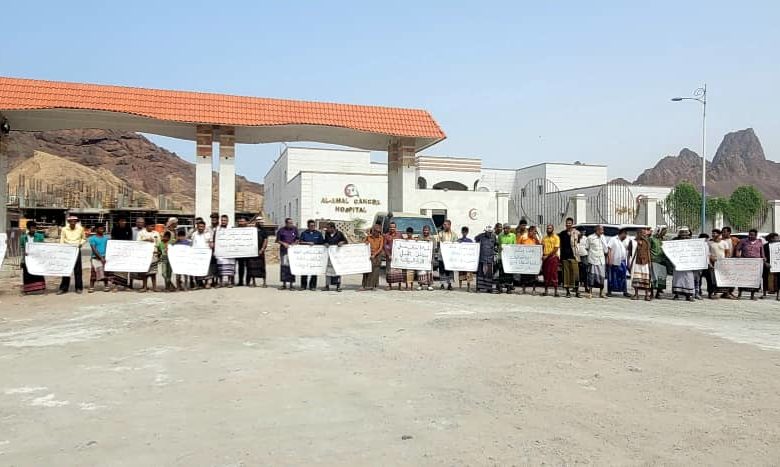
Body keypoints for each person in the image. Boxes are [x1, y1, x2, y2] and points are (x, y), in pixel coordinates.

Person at [57, 215, 86, 295]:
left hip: (76, 249)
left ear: (76, 222)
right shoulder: (64, 229)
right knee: (66, 269)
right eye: (71, 221)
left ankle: (78, 288)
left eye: (74, 221)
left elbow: (84, 238)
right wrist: (62, 249)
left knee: (78, 269)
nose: (73, 222)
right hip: (67, 250)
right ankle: (64, 288)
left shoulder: (80, 229)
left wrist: (80, 244)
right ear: (68, 222)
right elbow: (62, 239)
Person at [735, 229, 764, 300]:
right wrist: (738, 254)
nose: (750, 236)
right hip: (745, 262)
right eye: (749, 234)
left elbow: (762, 252)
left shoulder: (759, 242)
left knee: (754, 279)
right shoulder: (743, 241)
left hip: (756, 263)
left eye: (752, 235)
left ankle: (752, 295)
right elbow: (737, 249)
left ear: (756, 235)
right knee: (743, 278)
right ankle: (739, 294)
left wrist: (763, 258)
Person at [20, 221, 46, 295]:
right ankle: (27, 290)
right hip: (27, 258)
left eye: (34, 228)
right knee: (27, 274)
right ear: (28, 228)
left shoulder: (40, 236)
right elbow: (22, 248)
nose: (33, 229)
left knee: (38, 272)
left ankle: (40, 289)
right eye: (31, 228)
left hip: (37, 258)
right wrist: (22, 259)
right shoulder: (23, 237)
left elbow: (43, 246)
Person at [298, 219, 325, 291]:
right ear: (308, 226)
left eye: (314, 225)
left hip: (315, 256)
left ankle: (312, 286)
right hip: (305, 255)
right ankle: (303, 286)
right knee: (304, 270)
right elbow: (300, 242)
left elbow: (322, 243)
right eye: (311, 225)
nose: (312, 227)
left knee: (314, 270)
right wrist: (307, 243)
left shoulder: (318, 233)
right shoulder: (304, 233)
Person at [558, 217, 581, 298]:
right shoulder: (562, 234)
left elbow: (578, 243)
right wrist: (560, 257)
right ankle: (568, 292)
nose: (568, 225)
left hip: (574, 256)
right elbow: (560, 245)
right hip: (565, 256)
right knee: (566, 275)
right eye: (567, 223)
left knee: (576, 274)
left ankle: (577, 291)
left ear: (572, 224)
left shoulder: (576, 233)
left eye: (570, 223)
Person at [671, 227, 695, 302]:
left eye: (685, 232)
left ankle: (689, 295)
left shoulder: (692, 241)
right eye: (682, 232)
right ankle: (677, 294)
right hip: (678, 262)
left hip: (688, 263)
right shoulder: (675, 240)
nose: (684, 234)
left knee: (688, 278)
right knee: (677, 279)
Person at [109, 216, 133, 290]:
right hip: (117, 251)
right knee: (116, 269)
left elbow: (130, 238)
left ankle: (125, 285)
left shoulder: (128, 228)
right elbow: (113, 238)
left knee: (125, 269)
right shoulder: (115, 228)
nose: (123, 222)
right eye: (121, 221)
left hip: (126, 251)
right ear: (118, 222)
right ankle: (115, 285)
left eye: (124, 221)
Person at [706, 229, 730, 299]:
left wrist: (725, 261)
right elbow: (707, 254)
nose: (713, 235)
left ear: (719, 234)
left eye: (715, 233)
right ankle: (711, 293)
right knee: (711, 279)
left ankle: (724, 293)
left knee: (722, 278)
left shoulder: (724, 243)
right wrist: (710, 261)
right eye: (712, 233)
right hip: (712, 264)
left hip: (722, 264)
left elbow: (727, 253)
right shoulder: (709, 243)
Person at [323, 222, 348, 292]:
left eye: (328, 228)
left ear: (332, 228)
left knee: (337, 270)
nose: (327, 229)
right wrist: (325, 243)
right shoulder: (327, 234)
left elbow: (346, 241)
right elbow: (325, 241)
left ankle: (338, 286)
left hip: (337, 256)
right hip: (329, 255)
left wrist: (342, 242)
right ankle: (327, 286)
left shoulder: (339, 234)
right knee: (328, 271)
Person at [137, 221, 161, 292]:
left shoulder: (156, 233)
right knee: (145, 272)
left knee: (153, 272)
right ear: (146, 226)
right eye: (151, 226)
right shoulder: (141, 233)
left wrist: (159, 252)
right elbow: (137, 242)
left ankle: (154, 287)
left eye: (153, 226)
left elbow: (159, 243)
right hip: (144, 255)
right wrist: (146, 240)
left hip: (154, 254)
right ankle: (145, 287)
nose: (152, 228)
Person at [276, 218, 299, 290]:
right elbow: (277, 240)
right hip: (284, 251)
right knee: (284, 267)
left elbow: (297, 239)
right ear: (286, 223)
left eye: (292, 223)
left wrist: (295, 243)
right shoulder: (281, 230)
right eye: (290, 223)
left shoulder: (295, 229)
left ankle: (291, 285)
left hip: (292, 251)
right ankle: (284, 284)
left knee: (292, 267)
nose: (291, 224)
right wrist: (283, 243)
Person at [630, 227, 653, 301]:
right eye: (642, 233)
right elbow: (630, 253)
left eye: (644, 233)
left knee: (646, 279)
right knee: (636, 279)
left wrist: (649, 262)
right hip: (636, 262)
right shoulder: (633, 242)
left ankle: (647, 295)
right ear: (638, 233)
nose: (644, 235)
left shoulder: (647, 242)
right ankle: (636, 294)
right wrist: (629, 263)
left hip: (645, 263)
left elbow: (648, 252)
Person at [585, 225, 608, 299]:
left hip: (601, 260)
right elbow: (587, 248)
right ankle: (590, 293)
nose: (602, 231)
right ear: (597, 230)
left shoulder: (603, 237)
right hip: (593, 260)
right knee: (591, 277)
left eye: (603, 230)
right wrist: (591, 255)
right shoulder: (590, 237)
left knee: (601, 277)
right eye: (601, 229)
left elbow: (606, 250)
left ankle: (601, 293)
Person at [607, 228, 630, 298]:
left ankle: (624, 291)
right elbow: (609, 249)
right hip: (614, 261)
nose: (626, 236)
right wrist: (609, 259)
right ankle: (609, 291)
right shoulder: (613, 239)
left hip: (622, 261)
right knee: (612, 276)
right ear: (622, 233)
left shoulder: (625, 241)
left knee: (623, 277)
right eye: (625, 234)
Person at [215, 214, 237, 288]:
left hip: (229, 251)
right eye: (222, 220)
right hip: (220, 251)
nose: (223, 222)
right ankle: (220, 282)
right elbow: (215, 238)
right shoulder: (217, 229)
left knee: (230, 267)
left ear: (227, 221)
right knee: (220, 267)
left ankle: (229, 282)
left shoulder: (231, 228)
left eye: (225, 220)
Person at [519, 225, 541, 295]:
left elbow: (540, 246)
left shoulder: (536, 238)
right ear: (529, 231)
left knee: (533, 275)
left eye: (535, 232)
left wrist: (536, 239)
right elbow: (517, 246)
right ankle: (523, 289)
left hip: (533, 260)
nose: (534, 233)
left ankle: (533, 290)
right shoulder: (523, 237)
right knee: (523, 275)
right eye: (533, 231)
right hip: (524, 259)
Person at [246, 219, 268, 288]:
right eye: (259, 222)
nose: (261, 224)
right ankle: (254, 282)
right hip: (252, 252)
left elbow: (265, 240)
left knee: (262, 267)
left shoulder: (264, 231)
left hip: (260, 252)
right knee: (252, 267)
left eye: (261, 222)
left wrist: (262, 249)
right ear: (256, 223)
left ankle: (264, 282)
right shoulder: (252, 231)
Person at [190, 219, 212, 289]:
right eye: (199, 226)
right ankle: (198, 284)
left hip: (205, 255)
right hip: (196, 254)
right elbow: (192, 244)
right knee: (197, 269)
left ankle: (207, 283)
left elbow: (211, 243)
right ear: (197, 226)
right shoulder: (194, 234)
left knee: (206, 269)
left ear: (204, 227)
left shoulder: (208, 234)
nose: (201, 228)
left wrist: (211, 245)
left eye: (202, 227)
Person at [362, 223, 384, 291]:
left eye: (379, 232)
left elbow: (380, 248)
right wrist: (365, 242)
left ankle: (374, 286)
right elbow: (363, 245)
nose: (378, 233)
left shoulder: (381, 238)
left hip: (377, 256)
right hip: (369, 256)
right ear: (373, 231)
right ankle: (365, 285)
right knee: (367, 270)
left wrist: (374, 254)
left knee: (375, 271)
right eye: (376, 231)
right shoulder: (368, 237)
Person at [87, 224, 110, 293]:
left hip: (105, 257)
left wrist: (105, 257)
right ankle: (91, 286)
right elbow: (94, 249)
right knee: (94, 273)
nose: (102, 230)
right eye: (100, 229)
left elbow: (108, 247)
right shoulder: (92, 238)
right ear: (96, 229)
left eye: (103, 228)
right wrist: (100, 257)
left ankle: (106, 285)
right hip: (95, 258)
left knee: (105, 272)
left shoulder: (106, 238)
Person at [475, 226, 497, 293]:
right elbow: (475, 239)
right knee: (480, 273)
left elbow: (495, 245)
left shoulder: (494, 237)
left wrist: (495, 253)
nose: (489, 233)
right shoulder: (481, 236)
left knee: (489, 274)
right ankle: (479, 287)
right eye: (488, 232)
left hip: (490, 258)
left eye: (490, 232)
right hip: (481, 257)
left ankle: (488, 288)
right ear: (485, 232)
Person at [437, 219, 458, 290]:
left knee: (449, 270)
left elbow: (456, 244)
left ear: (449, 225)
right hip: (442, 255)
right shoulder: (441, 233)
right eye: (444, 225)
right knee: (441, 270)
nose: (444, 226)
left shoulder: (454, 234)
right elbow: (438, 242)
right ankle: (442, 284)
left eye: (445, 225)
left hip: (450, 256)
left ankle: (449, 284)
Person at [383, 222, 404, 290]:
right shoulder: (386, 236)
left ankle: (400, 286)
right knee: (389, 271)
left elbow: (403, 244)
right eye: (391, 227)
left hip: (398, 256)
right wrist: (388, 254)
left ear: (395, 228)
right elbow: (385, 246)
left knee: (399, 271)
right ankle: (390, 285)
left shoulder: (399, 235)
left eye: (393, 227)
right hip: (389, 256)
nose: (392, 228)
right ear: (389, 228)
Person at [649, 227, 668, 299]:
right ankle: (651, 293)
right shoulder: (651, 239)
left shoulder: (664, 240)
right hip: (654, 260)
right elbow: (649, 249)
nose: (664, 234)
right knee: (653, 277)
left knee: (661, 278)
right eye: (663, 232)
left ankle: (658, 293)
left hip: (662, 261)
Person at [541, 224, 560, 297]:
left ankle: (556, 292)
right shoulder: (544, 238)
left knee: (554, 274)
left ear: (553, 229)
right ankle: (546, 291)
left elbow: (556, 249)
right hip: (545, 258)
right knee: (546, 274)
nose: (548, 229)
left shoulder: (556, 237)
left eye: (550, 228)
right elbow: (542, 247)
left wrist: (547, 256)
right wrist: (543, 256)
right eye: (547, 228)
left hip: (553, 257)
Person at [496, 223, 516, 294]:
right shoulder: (500, 235)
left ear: (509, 229)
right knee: (501, 273)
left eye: (507, 228)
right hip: (501, 257)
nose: (505, 229)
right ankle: (500, 288)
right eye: (504, 228)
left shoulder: (513, 236)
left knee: (509, 273)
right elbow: (498, 245)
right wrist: (500, 248)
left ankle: (508, 288)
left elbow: (514, 246)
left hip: (509, 258)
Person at [415, 225, 436, 291]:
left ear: (429, 231)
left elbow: (434, 249)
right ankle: (420, 285)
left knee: (429, 271)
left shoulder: (432, 238)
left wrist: (433, 258)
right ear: (422, 230)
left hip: (429, 258)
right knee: (421, 271)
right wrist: (416, 241)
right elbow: (416, 246)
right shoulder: (419, 237)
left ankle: (429, 285)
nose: (425, 231)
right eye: (424, 230)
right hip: (421, 257)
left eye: (427, 230)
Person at [763, 233, 780, 300]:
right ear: (771, 238)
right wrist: (765, 263)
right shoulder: (765, 246)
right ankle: (764, 294)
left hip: (777, 265)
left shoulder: (779, 246)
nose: (778, 239)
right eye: (776, 238)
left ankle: (778, 295)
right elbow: (763, 255)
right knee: (765, 278)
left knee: (778, 279)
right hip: (767, 264)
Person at [457, 226, 474, 291]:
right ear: (461, 232)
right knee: (461, 273)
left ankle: (468, 286)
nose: (464, 233)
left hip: (468, 260)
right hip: (461, 260)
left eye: (465, 232)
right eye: (463, 232)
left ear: (467, 232)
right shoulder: (459, 241)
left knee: (468, 273)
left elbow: (473, 250)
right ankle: (460, 286)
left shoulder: (470, 241)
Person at [236, 217, 250, 286]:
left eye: (242, 221)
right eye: (239, 221)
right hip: (239, 251)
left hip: (248, 251)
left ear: (246, 222)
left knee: (249, 266)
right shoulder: (235, 230)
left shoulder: (250, 231)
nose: (241, 223)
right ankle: (240, 281)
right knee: (240, 267)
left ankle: (248, 282)